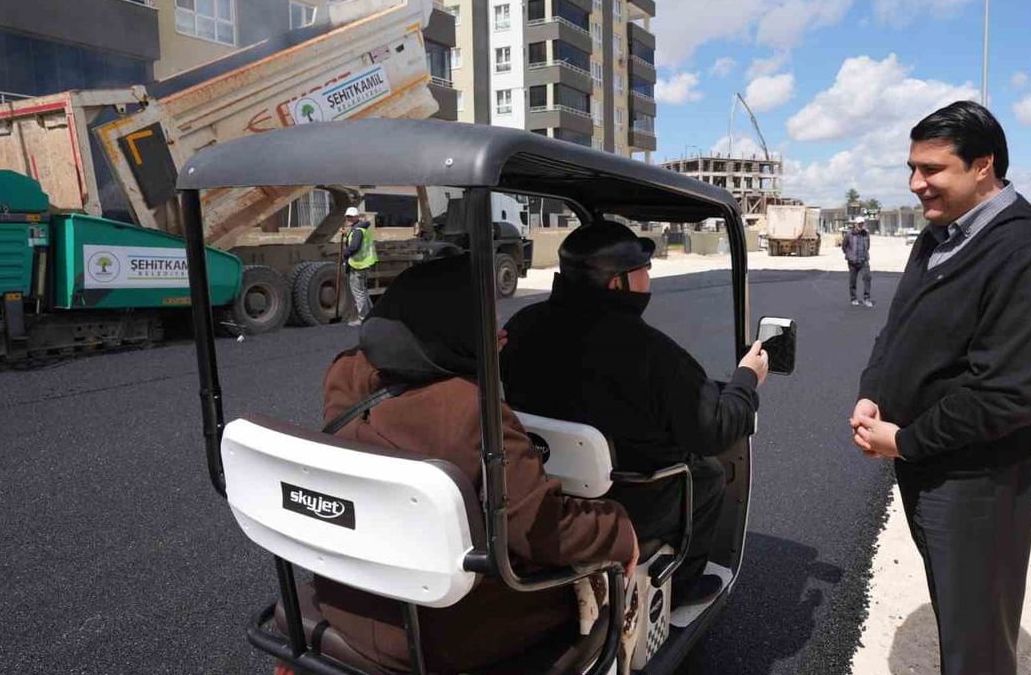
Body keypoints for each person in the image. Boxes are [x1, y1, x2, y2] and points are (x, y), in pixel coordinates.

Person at [313, 253, 638, 674]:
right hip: (438, 627)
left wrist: (477, 351)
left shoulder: (344, 375)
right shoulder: (469, 409)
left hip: (347, 597)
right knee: (595, 572)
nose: (500, 333)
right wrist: (619, 529)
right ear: (449, 328)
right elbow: (540, 530)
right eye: (483, 323)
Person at [850, 100, 1031, 675]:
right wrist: (873, 389)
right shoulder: (942, 234)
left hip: (978, 480)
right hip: (929, 462)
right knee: (956, 608)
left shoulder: (1030, 253)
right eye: (912, 168)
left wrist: (905, 440)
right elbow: (901, 326)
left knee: (977, 635)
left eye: (931, 170)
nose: (916, 184)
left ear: (984, 166)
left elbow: (1008, 396)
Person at [500, 220, 769, 608]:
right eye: (642, 269)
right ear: (617, 284)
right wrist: (746, 380)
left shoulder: (520, 326)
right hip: (629, 499)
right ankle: (684, 584)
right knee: (707, 474)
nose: (649, 276)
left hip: (541, 485)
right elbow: (713, 432)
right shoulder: (654, 356)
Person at [341, 206, 376, 325]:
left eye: (351, 216)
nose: (349, 218)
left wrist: (345, 253)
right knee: (364, 291)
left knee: (358, 293)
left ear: (357, 217)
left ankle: (363, 319)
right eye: (347, 216)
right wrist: (347, 234)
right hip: (365, 264)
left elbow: (354, 247)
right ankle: (371, 315)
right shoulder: (361, 229)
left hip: (358, 265)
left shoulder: (357, 231)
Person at [841, 215, 873, 307]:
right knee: (853, 280)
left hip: (864, 261)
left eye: (862, 223)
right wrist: (849, 255)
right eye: (859, 224)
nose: (861, 225)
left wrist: (865, 254)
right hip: (853, 262)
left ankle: (866, 298)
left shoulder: (866, 234)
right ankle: (853, 298)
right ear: (855, 224)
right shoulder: (849, 234)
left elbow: (868, 246)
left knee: (867, 278)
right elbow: (844, 246)